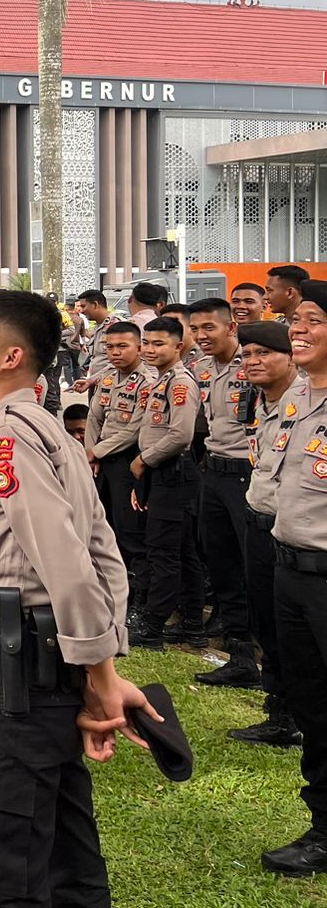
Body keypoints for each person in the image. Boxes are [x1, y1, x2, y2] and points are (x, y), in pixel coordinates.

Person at [0, 290, 150, 908]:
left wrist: (101, 673)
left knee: (5, 852)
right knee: (61, 841)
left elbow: (70, 563)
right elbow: (102, 553)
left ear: (11, 356)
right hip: (22, 655)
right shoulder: (34, 427)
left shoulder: (8, 438)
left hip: (26, 668)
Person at [260, 279, 327, 876]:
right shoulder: (297, 398)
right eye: (296, 319)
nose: (298, 328)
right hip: (290, 571)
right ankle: (324, 826)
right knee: (311, 704)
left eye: (313, 319)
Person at [228, 321, 302, 749]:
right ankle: (280, 712)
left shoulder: (306, 403)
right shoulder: (258, 401)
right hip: (258, 521)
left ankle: (294, 714)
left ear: (290, 357)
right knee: (267, 623)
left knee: (293, 630)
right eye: (247, 356)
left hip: (290, 532)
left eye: (263, 354)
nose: (253, 362)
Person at [188, 298, 262, 688]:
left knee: (252, 566)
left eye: (209, 329)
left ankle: (268, 655)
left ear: (230, 327)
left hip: (247, 476)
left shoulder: (254, 364)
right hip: (213, 474)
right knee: (222, 565)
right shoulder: (200, 368)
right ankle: (240, 656)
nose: (201, 336)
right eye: (195, 329)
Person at [127, 317, 204, 648]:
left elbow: (181, 434)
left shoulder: (180, 383)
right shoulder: (162, 380)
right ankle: (191, 623)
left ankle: (154, 624)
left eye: (159, 344)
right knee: (182, 550)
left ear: (179, 346)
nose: (150, 349)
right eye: (147, 342)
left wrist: (144, 459)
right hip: (163, 471)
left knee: (163, 549)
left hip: (172, 470)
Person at [84, 322, 154, 611]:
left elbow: (135, 429)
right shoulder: (108, 378)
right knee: (104, 526)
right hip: (102, 462)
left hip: (128, 461)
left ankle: (138, 599)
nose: (115, 352)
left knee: (130, 532)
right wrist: (90, 453)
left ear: (139, 347)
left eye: (122, 346)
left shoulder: (148, 381)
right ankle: (111, 590)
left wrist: (95, 453)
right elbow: (93, 418)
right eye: (110, 347)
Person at [70, 289, 117, 395]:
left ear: (95, 304)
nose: (81, 311)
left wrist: (92, 380)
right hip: (95, 383)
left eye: (83, 306)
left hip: (110, 385)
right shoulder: (97, 326)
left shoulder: (116, 326)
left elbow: (116, 363)